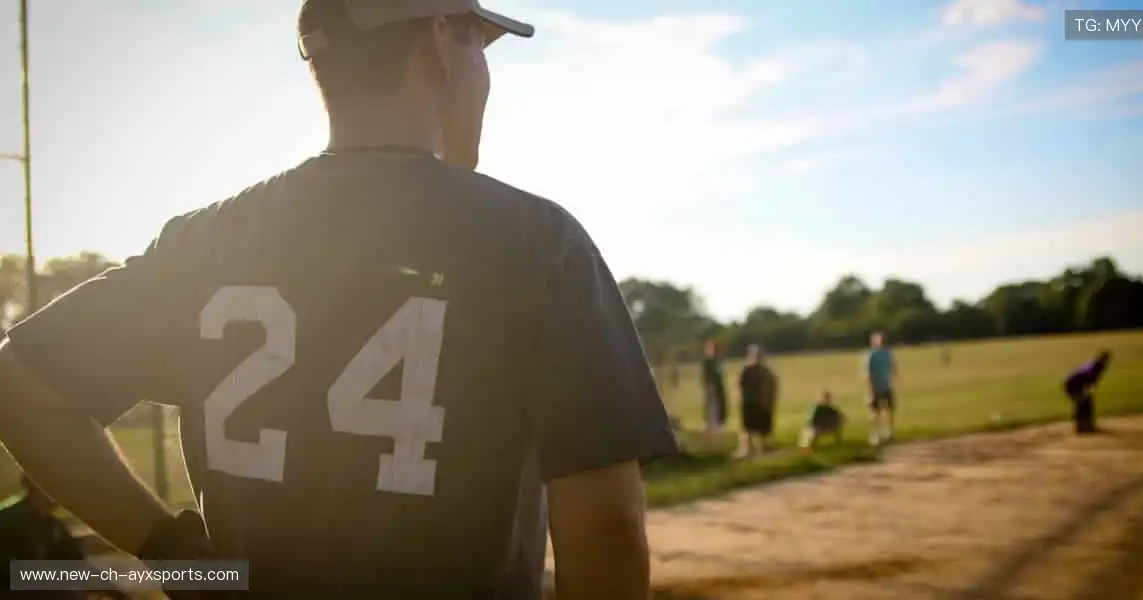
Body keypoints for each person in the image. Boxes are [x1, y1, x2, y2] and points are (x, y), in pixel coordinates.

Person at [0, 1, 679, 598]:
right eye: (480, 40)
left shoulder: (207, 241)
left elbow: (18, 386)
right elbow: (608, 530)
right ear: (441, 39)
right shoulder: (537, 243)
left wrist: (175, 555)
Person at [0, 474, 87, 599]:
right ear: (31, 487)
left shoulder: (55, 526)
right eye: (49, 489)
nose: (55, 496)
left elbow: (75, 562)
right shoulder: (7, 521)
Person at [735, 345, 778, 458]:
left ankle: (760, 449)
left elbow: (771, 386)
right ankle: (747, 449)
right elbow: (739, 386)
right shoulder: (746, 370)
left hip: (761, 403)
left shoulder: (765, 371)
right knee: (747, 428)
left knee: (761, 428)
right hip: (750, 402)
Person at [1063, 350, 1112, 434]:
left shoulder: (1094, 362)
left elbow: (1089, 379)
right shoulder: (1097, 366)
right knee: (1083, 402)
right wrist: (1087, 390)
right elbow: (1089, 378)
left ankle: (1085, 425)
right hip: (1073, 383)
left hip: (1074, 381)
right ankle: (1083, 426)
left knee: (1084, 402)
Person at [863, 331, 898, 446]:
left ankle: (889, 433)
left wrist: (894, 377)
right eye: (879, 339)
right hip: (875, 387)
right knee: (875, 412)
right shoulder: (871, 355)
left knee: (890, 409)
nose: (882, 341)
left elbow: (892, 366)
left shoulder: (888, 353)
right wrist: (870, 390)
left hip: (886, 385)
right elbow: (867, 373)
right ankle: (875, 435)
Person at [700, 340, 728, 434]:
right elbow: (706, 376)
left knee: (720, 407)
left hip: (719, 388)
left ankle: (718, 427)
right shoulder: (708, 362)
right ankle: (711, 427)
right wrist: (710, 387)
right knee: (712, 408)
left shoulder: (717, 361)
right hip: (712, 389)